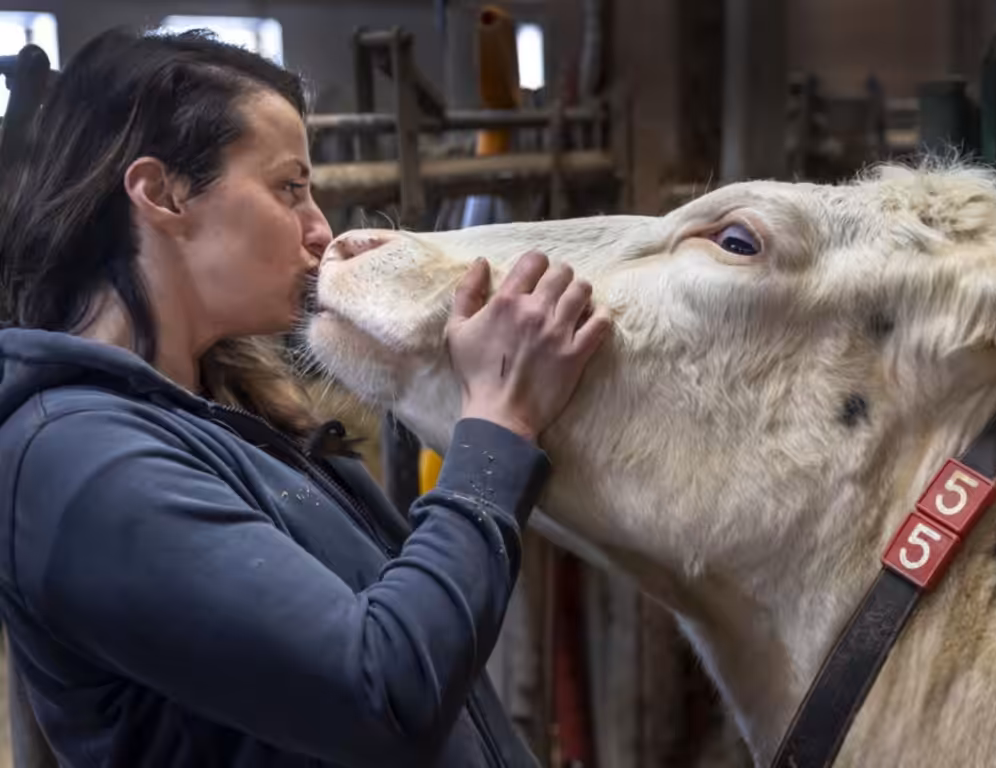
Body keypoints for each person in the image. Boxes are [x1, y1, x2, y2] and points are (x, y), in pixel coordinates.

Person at [0, 27, 611, 768]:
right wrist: (498, 425)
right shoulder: (82, 463)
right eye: (289, 188)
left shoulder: (220, 411)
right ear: (162, 194)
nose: (321, 227)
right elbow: (384, 689)